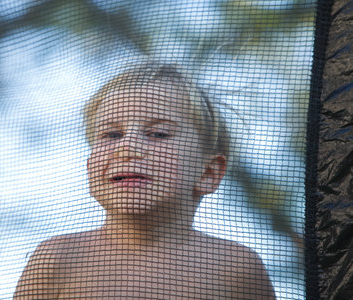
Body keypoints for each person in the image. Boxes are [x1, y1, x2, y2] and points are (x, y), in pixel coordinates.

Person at [14, 62, 276, 299]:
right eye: (112, 135)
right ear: (89, 165)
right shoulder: (58, 259)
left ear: (207, 173)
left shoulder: (237, 268)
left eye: (159, 133)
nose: (127, 148)